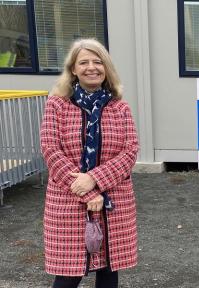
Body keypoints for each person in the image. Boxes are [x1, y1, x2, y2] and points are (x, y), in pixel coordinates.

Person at [40, 38, 139, 288]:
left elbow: (130, 151)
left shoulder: (119, 107)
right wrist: (86, 190)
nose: (91, 67)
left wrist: (94, 179)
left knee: (108, 270)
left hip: (112, 200)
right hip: (69, 199)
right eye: (83, 62)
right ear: (73, 69)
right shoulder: (57, 105)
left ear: (106, 68)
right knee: (67, 274)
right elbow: (51, 150)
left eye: (98, 61)